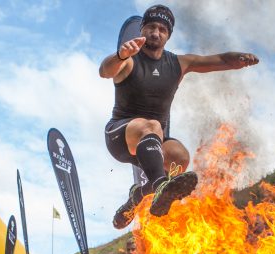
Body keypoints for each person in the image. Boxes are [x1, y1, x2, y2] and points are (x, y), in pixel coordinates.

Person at [100, 4, 259, 229]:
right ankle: (160, 185)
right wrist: (120, 55)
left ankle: (138, 196)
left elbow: (218, 60)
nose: (156, 33)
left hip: (152, 143)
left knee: (180, 157)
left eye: (162, 30)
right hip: (120, 137)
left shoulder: (178, 63)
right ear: (142, 29)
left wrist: (240, 59)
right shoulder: (129, 59)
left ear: (168, 36)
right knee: (152, 125)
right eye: (151, 27)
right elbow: (104, 71)